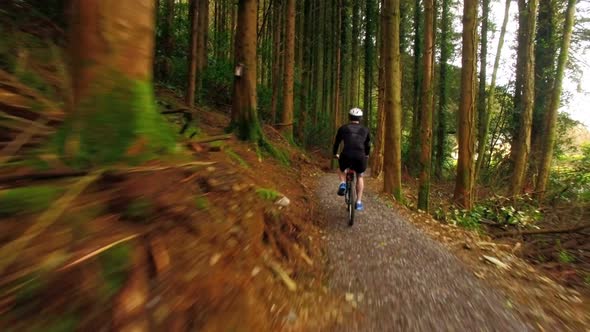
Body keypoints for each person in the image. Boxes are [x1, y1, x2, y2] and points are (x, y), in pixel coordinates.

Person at [332, 108, 371, 211]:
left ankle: (343, 183)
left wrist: (335, 153)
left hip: (346, 154)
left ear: (349, 117)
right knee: (360, 176)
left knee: (341, 169)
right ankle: (358, 202)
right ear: (360, 118)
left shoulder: (343, 128)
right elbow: (368, 145)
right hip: (360, 156)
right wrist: (366, 155)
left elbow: (337, 142)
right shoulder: (365, 130)